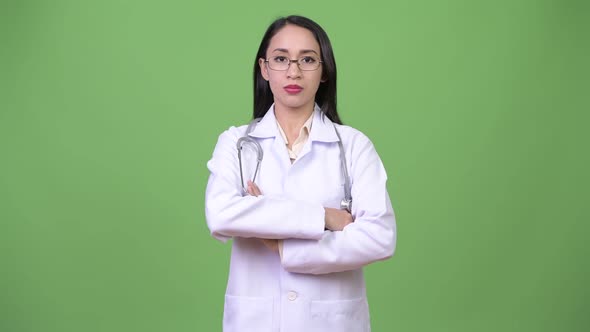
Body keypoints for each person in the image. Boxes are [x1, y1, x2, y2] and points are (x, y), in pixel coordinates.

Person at [205, 15, 396, 332]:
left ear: (323, 71)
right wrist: (324, 217)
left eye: (307, 59)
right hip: (256, 321)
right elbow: (222, 214)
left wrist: (282, 244)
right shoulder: (236, 143)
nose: (294, 71)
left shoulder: (353, 146)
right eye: (281, 59)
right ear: (265, 69)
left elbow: (379, 238)